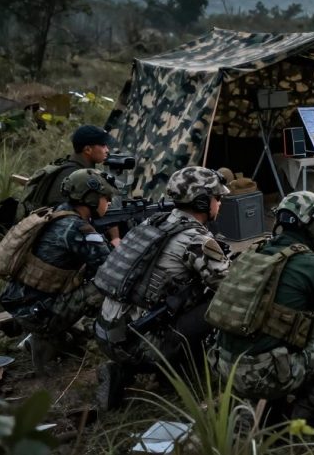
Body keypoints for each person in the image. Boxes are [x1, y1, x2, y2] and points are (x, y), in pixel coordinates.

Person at [207, 191, 314, 421]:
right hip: (265, 376)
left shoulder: (253, 252)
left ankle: (260, 404)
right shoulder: (310, 264)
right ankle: (307, 408)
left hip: (224, 368)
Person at [93, 166, 231, 410]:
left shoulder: (152, 223)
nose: (219, 204)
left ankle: (124, 370)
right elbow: (228, 285)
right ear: (201, 202)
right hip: (141, 345)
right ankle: (185, 371)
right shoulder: (197, 239)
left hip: (108, 334)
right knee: (221, 304)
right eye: (217, 198)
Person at [0, 169, 117, 374]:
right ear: (91, 198)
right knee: (105, 286)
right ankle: (109, 339)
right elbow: (111, 268)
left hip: (23, 303)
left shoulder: (54, 214)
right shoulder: (79, 229)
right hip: (40, 313)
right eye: (106, 198)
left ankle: (55, 337)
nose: (109, 203)